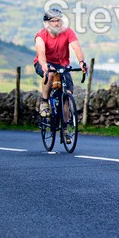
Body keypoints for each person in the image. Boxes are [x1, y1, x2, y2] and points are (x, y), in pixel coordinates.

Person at [34, 8, 88, 143]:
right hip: (44, 63)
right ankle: (44, 102)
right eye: (53, 21)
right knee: (50, 73)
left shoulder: (68, 32)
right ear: (47, 23)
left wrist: (81, 62)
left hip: (62, 65)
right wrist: (44, 65)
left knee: (67, 95)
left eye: (59, 20)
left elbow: (76, 47)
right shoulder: (41, 36)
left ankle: (65, 130)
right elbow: (41, 53)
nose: (57, 23)